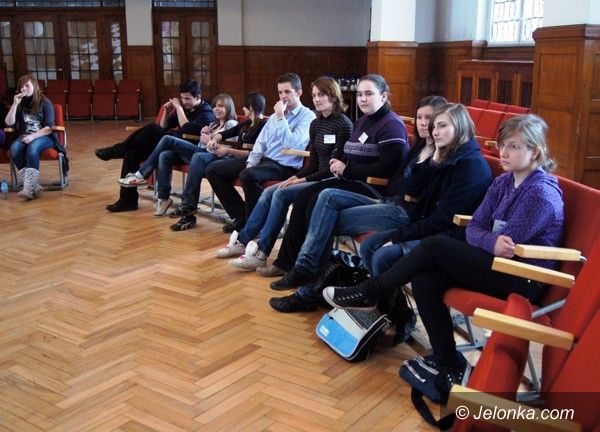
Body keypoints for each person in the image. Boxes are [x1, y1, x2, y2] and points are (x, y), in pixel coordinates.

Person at [323, 114, 564, 396]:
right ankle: (448, 363)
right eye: (502, 145)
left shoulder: (540, 194)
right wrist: (489, 240)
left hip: (523, 276)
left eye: (513, 146)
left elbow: (509, 246)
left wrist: (487, 240)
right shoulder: (504, 182)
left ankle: (370, 290)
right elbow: (475, 227)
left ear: (534, 151)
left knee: (436, 246)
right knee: (425, 280)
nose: (503, 152)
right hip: (496, 263)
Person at [265, 73, 409, 289]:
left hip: (373, 188)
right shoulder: (363, 120)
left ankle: (307, 270)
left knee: (321, 199)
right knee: (305, 197)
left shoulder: (391, 125)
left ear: (383, 96)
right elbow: (348, 151)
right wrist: (339, 160)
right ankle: (295, 264)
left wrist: (347, 169)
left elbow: (387, 168)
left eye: (369, 94)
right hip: (352, 179)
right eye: (359, 94)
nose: (362, 99)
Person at [214, 76, 353, 269]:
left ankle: (261, 251)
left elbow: (329, 169)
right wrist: (295, 178)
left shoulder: (343, 124)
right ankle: (244, 241)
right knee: (271, 191)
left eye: (321, 95)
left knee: (278, 192)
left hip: (330, 180)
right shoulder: (317, 123)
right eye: (314, 95)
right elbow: (313, 164)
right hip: (310, 175)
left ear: (334, 96)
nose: (316, 99)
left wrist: (298, 179)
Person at [205, 73, 316, 233]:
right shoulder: (275, 116)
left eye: (287, 92)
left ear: (299, 92)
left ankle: (254, 227)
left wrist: (280, 117)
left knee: (248, 175)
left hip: (285, 166)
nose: (283, 96)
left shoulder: (307, 116)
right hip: (266, 160)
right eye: (280, 92)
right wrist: (251, 162)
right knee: (213, 170)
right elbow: (261, 143)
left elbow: (291, 144)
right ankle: (243, 217)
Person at [96, 80, 215, 212]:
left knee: (152, 129)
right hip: (169, 143)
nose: (184, 101)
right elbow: (163, 127)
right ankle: (127, 201)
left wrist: (179, 108)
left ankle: (118, 150)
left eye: (187, 99)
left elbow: (187, 128)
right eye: (182, 98)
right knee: (132, 153)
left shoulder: (207, 112)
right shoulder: (185, 108)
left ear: (198, 97)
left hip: (187, 150)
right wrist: (166, 111)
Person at [116, 94, 238, 216]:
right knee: (165, 155)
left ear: (228, 108)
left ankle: (141, 174)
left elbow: (228, 148)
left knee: (167, 139)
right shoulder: (213, 125)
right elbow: (202, 145)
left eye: (221, 106)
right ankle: (163, 199)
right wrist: (203, 134)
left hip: (215, 158)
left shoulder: (231, 123)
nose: (216, 109)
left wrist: (209, 140)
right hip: (201, 154)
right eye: (215, 106)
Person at [168, 92, 268, 231]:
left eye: (245, 107)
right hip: (237, 158)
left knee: (209, 166)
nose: (243, 109)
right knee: (211, 169)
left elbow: (256, 154)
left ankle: (190, 208)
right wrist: (214, 139)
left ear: (250, 107)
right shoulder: (247, 122)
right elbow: (226, 133)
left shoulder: (264, 125)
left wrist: (227, 150)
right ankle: (240, 215)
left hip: (250, 161)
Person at [4, 74, 67, 200]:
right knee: (15, 147)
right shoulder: (20, 103)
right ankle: (34, 185)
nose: (24, 89)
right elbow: (9, 123)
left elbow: (49, 128)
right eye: (21, 87)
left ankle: (28, 188)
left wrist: (33, 136)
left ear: (35, 86)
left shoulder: (45, 102)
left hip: (45, 136)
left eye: (27, 85)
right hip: (25, 135)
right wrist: (15, 104)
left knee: (33, 148)